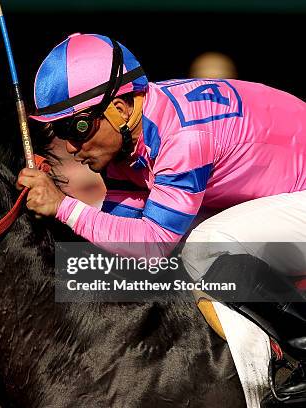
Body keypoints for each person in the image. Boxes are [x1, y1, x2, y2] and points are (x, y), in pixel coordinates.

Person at [17, 33, 306, 403]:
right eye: (59, 131)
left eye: (78, 128)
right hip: (283, 198)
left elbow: (151, 245)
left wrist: (62, 206)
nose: (71, 147)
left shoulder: (183, 136)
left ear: (120, 110)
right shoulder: (130, 141)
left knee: (203, 245)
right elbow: (117, 241)